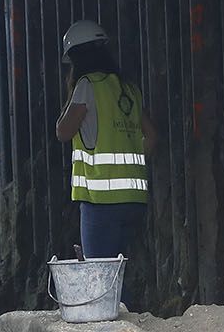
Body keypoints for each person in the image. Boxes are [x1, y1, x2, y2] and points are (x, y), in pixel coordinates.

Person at [52, 19, 155, 259]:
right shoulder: (128, 89)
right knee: (117, 269)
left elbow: (63, 132)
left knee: (100, 271)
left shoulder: (88, 85)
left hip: (101, 202)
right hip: (134, 201)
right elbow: (151, 137)